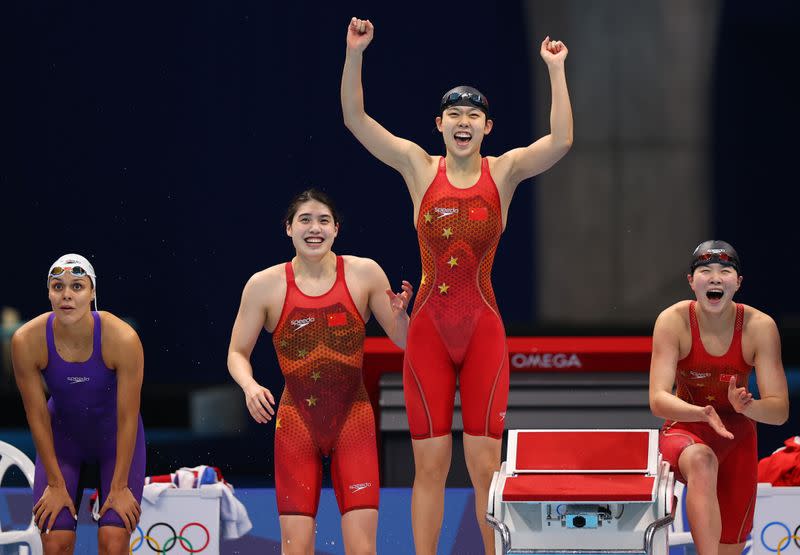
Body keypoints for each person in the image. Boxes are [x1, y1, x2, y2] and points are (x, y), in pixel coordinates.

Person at [341, 16, 573, 554]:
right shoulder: (418, 167)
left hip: (483, 332)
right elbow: (355, 118)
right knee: (431, 466)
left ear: (487, 127)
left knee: (484, 462)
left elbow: (562, 139)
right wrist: (356, 53)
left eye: (474, 116)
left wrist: (556, 70)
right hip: (427, 334)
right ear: (439, 124)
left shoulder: (505, 171)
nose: (464, 123)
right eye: (454, 115)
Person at [227, 189, 413, 555]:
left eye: (323, 220)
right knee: (296, 549)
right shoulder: (264, 286)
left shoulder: (365, 273)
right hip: (296, 423)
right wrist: (249, 387)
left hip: (353, 422)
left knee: (362, 549)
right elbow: (236, 352)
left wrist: (403, 316)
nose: (315, 228)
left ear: (336, 229)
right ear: (288, 229)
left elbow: (406, 343)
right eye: (305, 220)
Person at [649, 240, 789, 555]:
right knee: (702, 459)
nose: (715, 278)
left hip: (737, 436)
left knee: (731, 549)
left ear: (737, 283)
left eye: (725, 271)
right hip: (686, 427)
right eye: (705, 271)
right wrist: (701, 413)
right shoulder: (673, 322)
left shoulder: (760, 328)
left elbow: (779, 411)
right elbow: (658, 400)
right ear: (691, 281)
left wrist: (749, 406)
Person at [11, 254, 146, 555]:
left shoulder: (122, 338)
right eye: (58, 287)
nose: (67, 295)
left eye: (77, 286)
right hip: (63, 443)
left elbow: (127, 417)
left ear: (92, 292)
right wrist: (55, 484)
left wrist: (120, 486)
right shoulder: (27, 340)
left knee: (113, 541)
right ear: (48, 292)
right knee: (55, 542)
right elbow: (36, 416)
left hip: (116, 442)